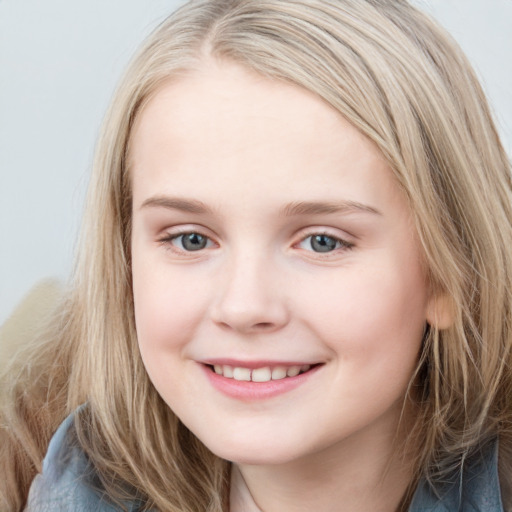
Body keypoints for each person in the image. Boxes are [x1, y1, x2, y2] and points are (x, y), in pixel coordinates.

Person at [1, 0, 511, 510]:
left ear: (452, 273)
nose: (244, 307)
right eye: (190, 239)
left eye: (322, 241)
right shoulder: (62, 484)